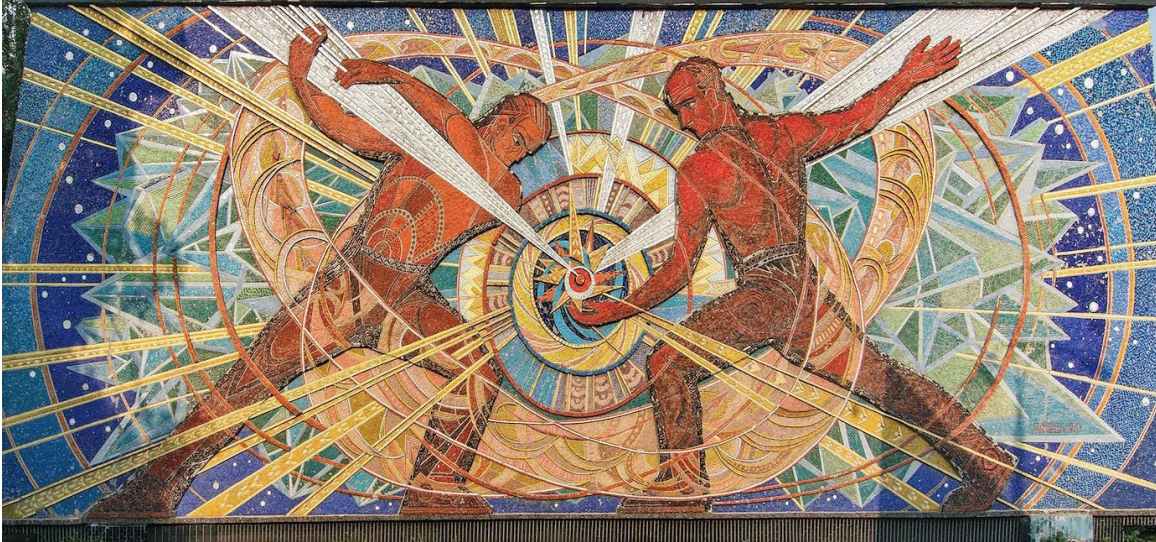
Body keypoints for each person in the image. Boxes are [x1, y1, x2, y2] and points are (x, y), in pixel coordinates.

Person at [88, 25, 551, 518]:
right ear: (500, 117)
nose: (519, 152)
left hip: (400, 303)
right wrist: (302, 77)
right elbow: (346, 129)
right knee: (250, 381)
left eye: (527, 149)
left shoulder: (502, 186)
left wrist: (392, 77)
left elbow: (465, 145)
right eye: (518, 136)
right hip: (343, 292)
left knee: (477, 367)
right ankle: (152, 489)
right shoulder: (428, 141)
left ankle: (432, 488)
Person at [569, 37, 1014, 513]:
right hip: (803, 293)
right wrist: (906, 77)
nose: (685, 121)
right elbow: (858, 117)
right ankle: (986, 462)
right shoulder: (784, 133)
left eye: (690, 104)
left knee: (667, 364)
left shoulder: (700, 168)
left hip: (768, 295)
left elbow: (680, 268)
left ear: (715, 91)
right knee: (883, 380)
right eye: (678, 110)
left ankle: (683, 490)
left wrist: (615, 309)